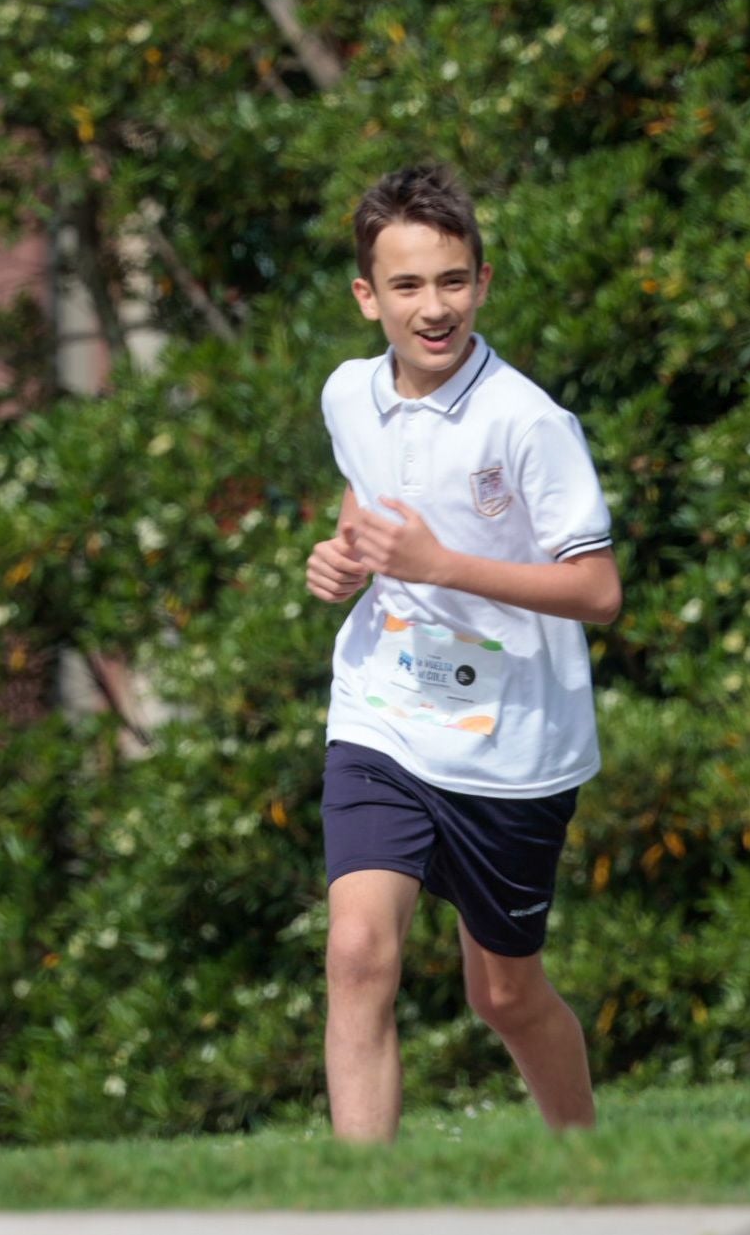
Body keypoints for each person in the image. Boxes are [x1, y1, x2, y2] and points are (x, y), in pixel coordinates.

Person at [305, 164, 621, 1143]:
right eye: (405, 286)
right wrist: (342, 559)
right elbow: (372, 511)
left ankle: (587, 1174)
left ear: (480, 282)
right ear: (368, 297)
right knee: (357, 951)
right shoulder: (346, 395)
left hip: (511, 747)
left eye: (450, 281)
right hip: (382, 710)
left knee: (504, 994)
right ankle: (368, 1211)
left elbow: (597, 591)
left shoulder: (526, 421)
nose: (431, 307)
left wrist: (443, 564)